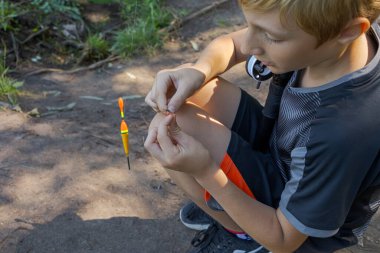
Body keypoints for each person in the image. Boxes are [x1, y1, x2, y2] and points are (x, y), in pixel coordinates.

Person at [144, 0, 380, 252]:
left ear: (348, 32)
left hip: (296, 229)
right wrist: (198, 70)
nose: (248, 45)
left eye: (271, 36)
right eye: (250, 25)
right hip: (282, 153)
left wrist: (206, 173)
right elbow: (234, 45)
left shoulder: (340, 133)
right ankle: (235, 210)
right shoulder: (332, 41)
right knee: (184, 98)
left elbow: (283, 240)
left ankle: (244, 237)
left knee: (174, 132)